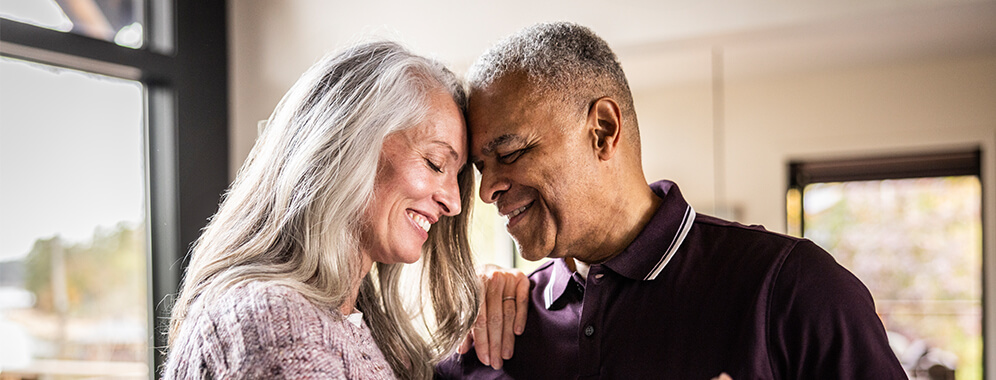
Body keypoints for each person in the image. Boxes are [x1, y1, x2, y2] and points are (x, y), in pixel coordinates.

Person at [437, 22, 907, 379]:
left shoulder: (794, 288)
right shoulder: (493, 329)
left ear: (602, 131)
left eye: (511, 153)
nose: (486, 189)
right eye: (481, 167)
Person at [164, 41, 481, 379]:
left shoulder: (363, 328)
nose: (453, 201)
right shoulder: (274, 323)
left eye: (456, 175)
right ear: (349, 144)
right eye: (435, 163)